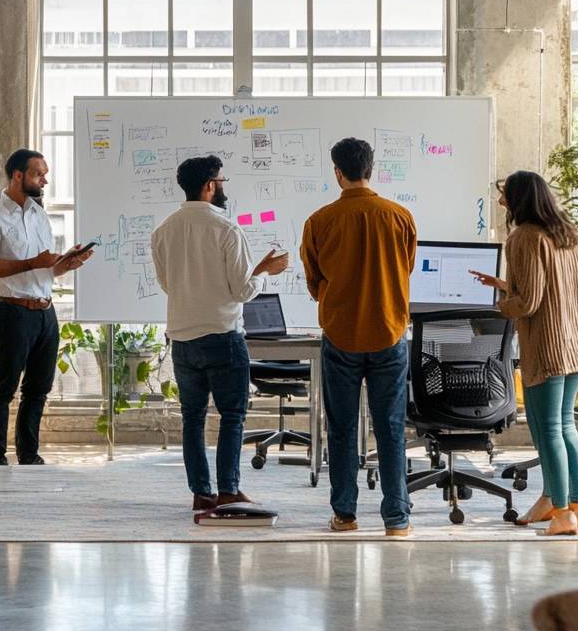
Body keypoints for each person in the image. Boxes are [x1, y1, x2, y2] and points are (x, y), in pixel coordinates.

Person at [151, 155, 289, 511]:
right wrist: (265, 272)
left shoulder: (163, 230)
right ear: (210, 185)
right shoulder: (228, 230)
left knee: (193, 418)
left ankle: (201, 493)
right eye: (221, 181)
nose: (223, 187)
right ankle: (227, 490)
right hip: (222, 335)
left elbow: (169, 284)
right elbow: (242, 291)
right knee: (232, 415)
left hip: (182, 337)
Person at [471, 171, 578, 535]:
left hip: (549, 348)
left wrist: (498, 304)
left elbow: (528, 303)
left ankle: (562, 515)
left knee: (547, 430)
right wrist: (503, 285)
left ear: (519, 200)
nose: (501, 203)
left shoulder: (524, 237)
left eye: (504, 196)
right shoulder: (569, 235)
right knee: (564, 427)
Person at [300, 137, 417, 536]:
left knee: (342, 427)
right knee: (390, 427)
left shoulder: (319, 221)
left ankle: (345, 515)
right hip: (388, 331)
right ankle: (397, 519)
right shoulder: (400, 216)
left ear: (337, 172)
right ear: (371, 168)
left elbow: (315, 282)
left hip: (341, 335)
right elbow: (407, 269)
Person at [0, 149, 93, 466]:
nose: (45, 179)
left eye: (45, 173)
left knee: (38, 389)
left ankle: (29, 454)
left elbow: (45, 269)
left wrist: (67, 263)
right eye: (39, 173)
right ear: (18, 175)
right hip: (12, 312)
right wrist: (29, 263)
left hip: (45, 312)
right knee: (3, 389)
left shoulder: (39, 214)